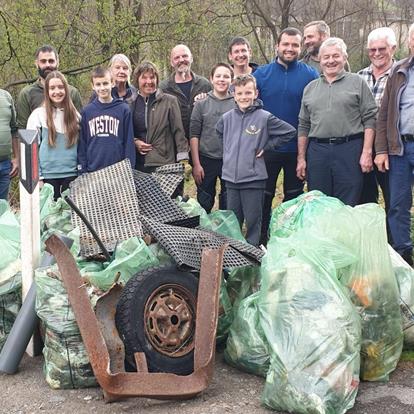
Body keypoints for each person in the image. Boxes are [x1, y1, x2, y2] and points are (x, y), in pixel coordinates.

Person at [253, 27, 319, 245]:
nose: (290, 49)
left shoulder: (310, 75)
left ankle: (289, 242)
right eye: (286, 44)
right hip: (267, 149)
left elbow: (314, 112)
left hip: (298, 150)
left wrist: (305, 153)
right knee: (264, 197)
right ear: (277, 46)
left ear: (300, 48)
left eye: (295, 45)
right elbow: (247, 109)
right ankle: (261, 241)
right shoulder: (261, 75)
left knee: (294, 199)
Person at [216, 74, 296, 247]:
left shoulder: (264, 117)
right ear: (234, 95)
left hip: (253, 180)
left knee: (253, 222)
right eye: (240, 93)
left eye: (248, 93)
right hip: (231, 179)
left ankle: (252, 258)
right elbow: (219, 132)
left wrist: (266, 146)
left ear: (256, 93)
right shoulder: (226, 118)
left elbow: (289, 132)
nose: (244, 97)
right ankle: (234, 258)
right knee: (233, 223)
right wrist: (229, 152)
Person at [297, 37, 377, 206]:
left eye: (336, 56)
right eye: (326, 57)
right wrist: (301, 158)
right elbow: (304, 125)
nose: (331, 61)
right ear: (320, 59)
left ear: (344, 58)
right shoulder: (310, 88)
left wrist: (367, 152)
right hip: (318, 151)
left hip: (350, 149)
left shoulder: (357, 82)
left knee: (349, 201)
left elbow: (370, 118)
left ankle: (345, 233)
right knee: (319, 201)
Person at [374, 23, 414, 266]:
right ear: (409, 42)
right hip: (400, 148)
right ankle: (403, 255)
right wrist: (381, 150)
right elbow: (384, 114)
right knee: (398, 205)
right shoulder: (399, 71)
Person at [358, 27, 397, 238]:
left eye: (381, 48)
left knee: (393, 198)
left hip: (390, 146)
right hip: (363, 145)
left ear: (393, 48)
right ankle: (370, 241)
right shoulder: (359, 76)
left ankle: (393, 243)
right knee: (365, 196)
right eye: (372, 50)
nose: (376, 53)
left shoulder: (401, 75)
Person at [190, 63, 235, 212]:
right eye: (218, 76)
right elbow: (194, 135)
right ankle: (204, 232)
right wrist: (196, 164)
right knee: (205, 200)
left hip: (229, 160)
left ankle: (226, 231)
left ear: (231, 80)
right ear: (211, 79)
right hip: (206, 159)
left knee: (228, 200)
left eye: (226, 76)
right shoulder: (201, 104)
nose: (222, 80)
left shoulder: (236, 103)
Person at [27, 71, 79, 200]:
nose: (57, 91)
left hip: (72, 176)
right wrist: (37, 178)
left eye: (61, 87)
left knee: (69, 218)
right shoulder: (37, 115)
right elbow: (30, 149)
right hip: (47, 178)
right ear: (47, 91)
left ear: (66, 90)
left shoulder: (76, 116)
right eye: (52, 88)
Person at [130, 61, 189, 173]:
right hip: (138, 165)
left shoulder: (170, 101)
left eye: (152, 77)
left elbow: (178, 132)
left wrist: (183, 160)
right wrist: (135, 142)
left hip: (164, 163)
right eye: (144, 78)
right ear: (137, 80)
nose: (149, 82)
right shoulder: (129, 103)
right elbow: (126, 133)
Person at [77, 66, 135, 173]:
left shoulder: (123, 109)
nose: (102, 88)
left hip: (118, 171)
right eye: (98, 84)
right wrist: (82, 170)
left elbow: (129, 143)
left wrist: (129, 170)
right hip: (93, 170)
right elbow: (82, 144)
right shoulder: (87, 112)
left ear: (112, 83)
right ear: (92, 86)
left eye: (105, 83)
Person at [17, 45, 82, 129]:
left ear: (57, 62)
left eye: (51, 61)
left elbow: (80, 127)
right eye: (43, 61)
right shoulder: (26, 94)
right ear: (36, 64)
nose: (47, 65)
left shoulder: (72, 92)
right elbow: (23, 129)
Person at [159, 44, 211, 139]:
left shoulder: (204, 84)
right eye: (177, 57)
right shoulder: (163, 88)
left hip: (202, 143)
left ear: (191, 58)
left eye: (185, 56)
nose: (181, 60)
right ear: (171, 62)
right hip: (174, 145)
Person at [0, 89, 18, 200]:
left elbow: (14, 129)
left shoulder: (6, 95)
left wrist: (16, 158)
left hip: (5, 164)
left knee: (2, 208)